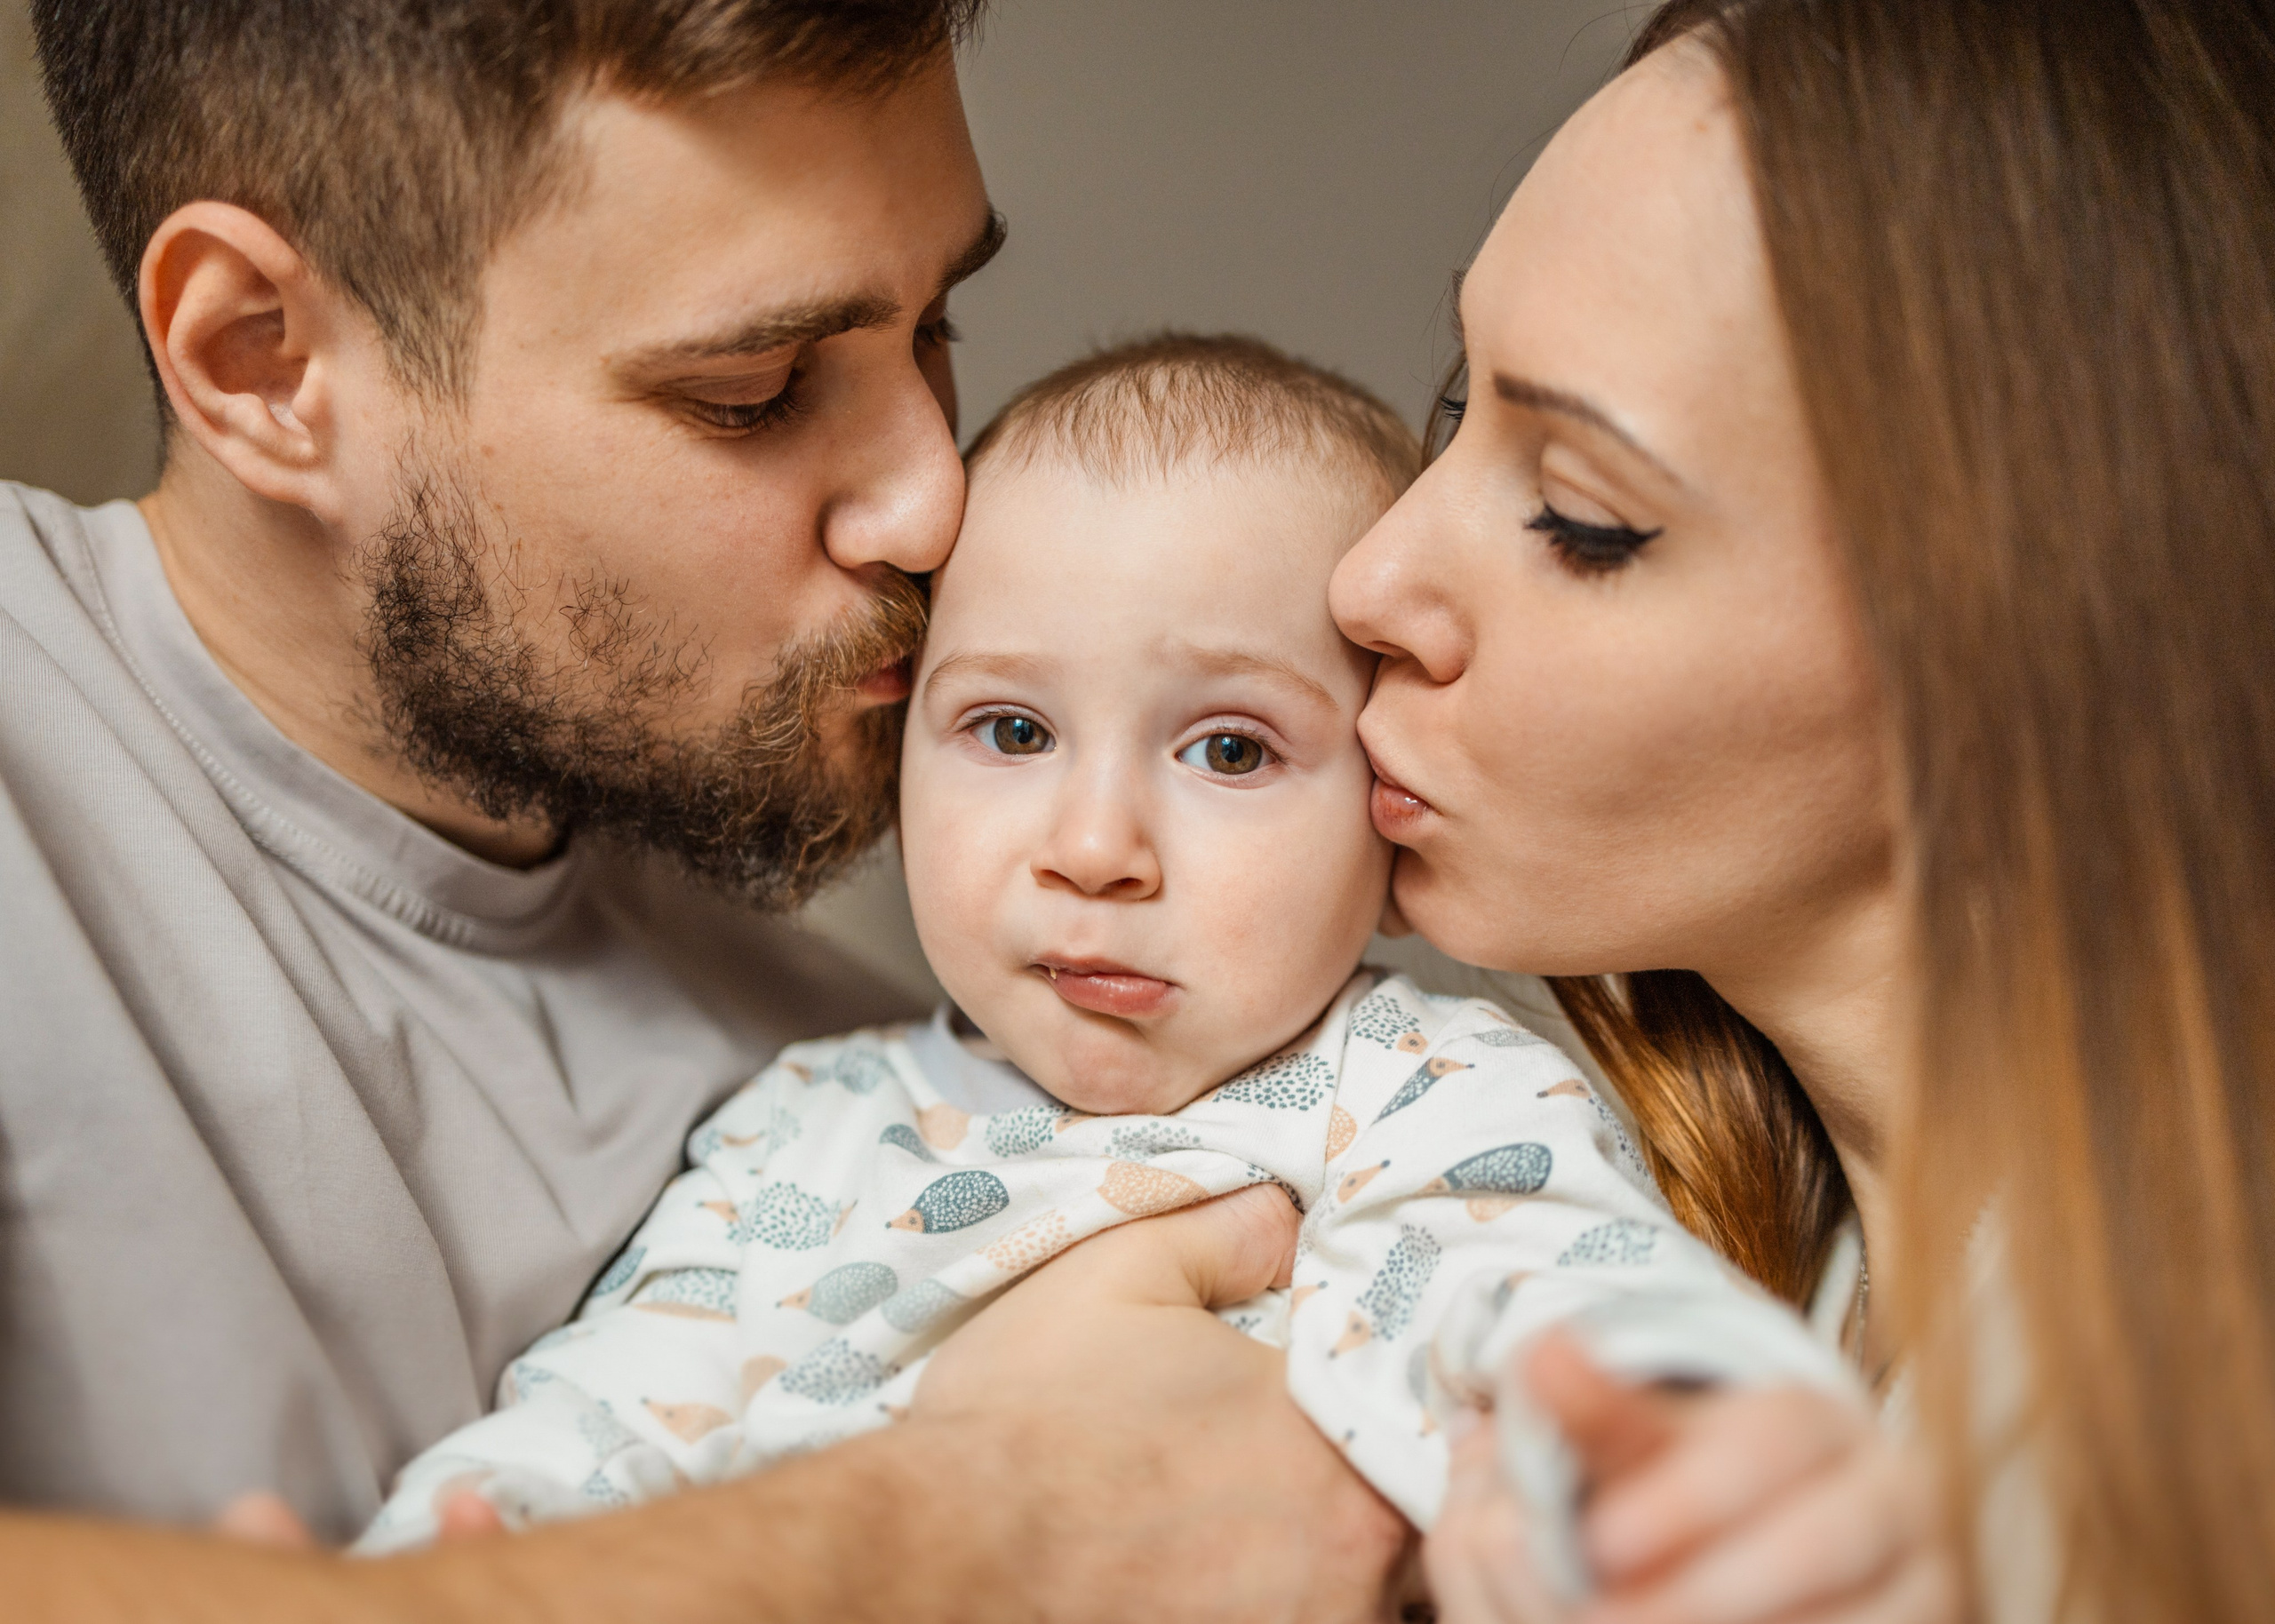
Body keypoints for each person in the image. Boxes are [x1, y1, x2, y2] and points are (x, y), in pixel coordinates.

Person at [2, 4, 1406, 1618]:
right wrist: (968, 1524)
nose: (935, 501)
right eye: (757, 389)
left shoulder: (903, 1095)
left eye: (935, 327)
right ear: (262, 360)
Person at [357, 334, 1853, 1555]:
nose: (1093, 847)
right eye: (1012, 730)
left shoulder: (1426, 1096)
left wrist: (1687, 1470)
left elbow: (1558, 1295)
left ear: (1390, 826)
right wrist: (461, 1552)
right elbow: (609, 1414)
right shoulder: (799, 1130)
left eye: (1230, 750)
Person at [1335, 2, 2275, 1621]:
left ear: (2040, 634)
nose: (1370, 579)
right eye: (1455, 406)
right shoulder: (1650, 1286)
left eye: (1579, 513)